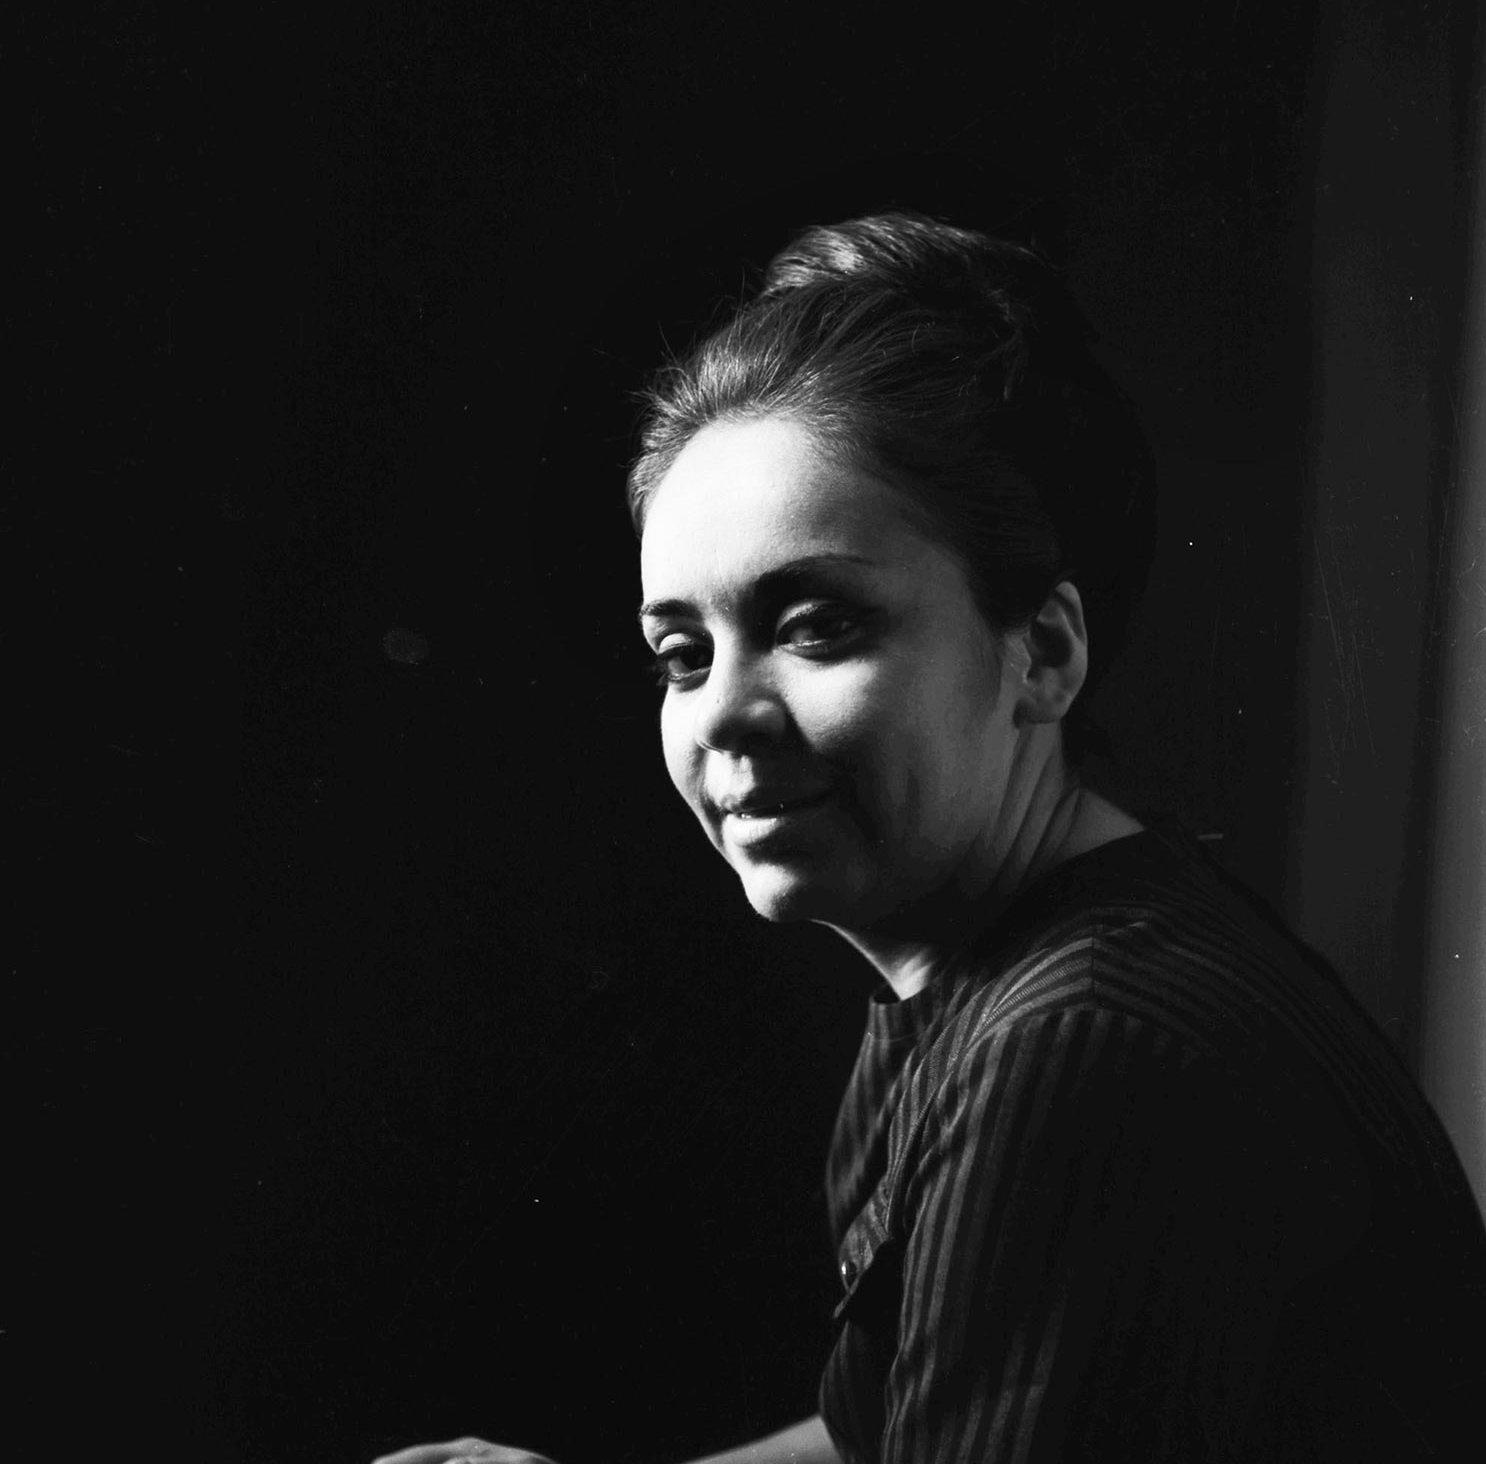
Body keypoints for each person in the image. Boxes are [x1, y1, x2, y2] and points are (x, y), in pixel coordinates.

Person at [372, 213, 1486, 1464]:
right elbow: (892, 1427)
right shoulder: (992, 970)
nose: (724, 714)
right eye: (682, 654)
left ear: (1043, 653)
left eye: (815, 626)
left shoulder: (1076, 1050)